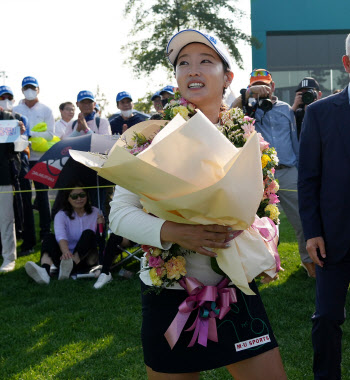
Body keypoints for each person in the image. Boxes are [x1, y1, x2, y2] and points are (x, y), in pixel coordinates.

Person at [109, 29, 286, 380]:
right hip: (170, 293)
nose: (193, 70)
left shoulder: (250, 140)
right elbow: (119, 215)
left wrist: (267, 242)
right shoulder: (150, 136)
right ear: (175, 79)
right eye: (183, 63)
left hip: (235, 289)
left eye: (206, 61)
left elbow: (266, 210)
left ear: (227, 78)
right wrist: (176, 231)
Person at [298, 33, 350, 380]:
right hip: (333, 237)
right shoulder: (318, 114)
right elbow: (308, 179)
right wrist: (312, 232)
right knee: (327, 318)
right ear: (347, 64)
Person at [236, 69, 313, 277]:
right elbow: (237, 119)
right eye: (256, 85)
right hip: (262, 173)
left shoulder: (286, 109)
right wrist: (250, 97)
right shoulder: (250, 109)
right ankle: (264, 267)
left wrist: (300, 166)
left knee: (303, 218)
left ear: (273, 86)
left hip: (289, 171)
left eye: (265, 85)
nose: (262, 89)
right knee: (260, 222)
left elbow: (294, 137)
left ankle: (308, 261)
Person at [25, 185, 103, 284]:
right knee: (48, 237)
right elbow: (60, 236)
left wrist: (102, 225)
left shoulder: (96, 212)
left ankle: (70, 267)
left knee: (88, 233)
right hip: (64, 259)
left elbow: (99, 238)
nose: (79, 199)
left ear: (87, 196)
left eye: (82, 195)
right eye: (74, 196)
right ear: (68, 198)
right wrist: (66, 253)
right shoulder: (61, 215)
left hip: (87, 259)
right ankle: (44, 271)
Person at [13, 76, 55, 240]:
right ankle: (25, 233)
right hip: (20, 157)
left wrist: (31, 133)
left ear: (38, 90)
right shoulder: (15, 109)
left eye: (33, 88)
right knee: (23, 196)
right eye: (26, 88)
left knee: (42, 196)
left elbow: (51, 134)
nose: (29, 91)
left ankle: (46, 232)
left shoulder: (46, 110)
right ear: (22, 90)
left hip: (41, 158)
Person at [0, 86, 36, 256]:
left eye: (9, 97)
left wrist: (20, 133)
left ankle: (27, 242)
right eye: (2, 97)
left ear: (13, 100)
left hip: (20, 166)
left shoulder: (19, 118)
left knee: (24, 204)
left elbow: (22, 145)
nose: (5, 101)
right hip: (5, 170)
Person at [0, 108, 26, 272]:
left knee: (6, 220)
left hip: (4, 176)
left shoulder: (9, 118)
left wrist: (20, 133)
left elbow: (18, 149)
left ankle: (9, 258)